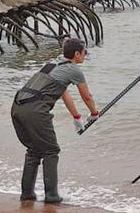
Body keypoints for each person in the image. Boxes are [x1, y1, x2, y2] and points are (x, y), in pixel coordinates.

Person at [11, 38, 99, 203]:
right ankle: (51, 195)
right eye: (84, 52)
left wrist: (77, 117)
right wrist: (94, 113)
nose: (85, 55)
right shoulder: (74, 70)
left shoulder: (52, 65)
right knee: (51, 151)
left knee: (34, 150)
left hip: (17, 107)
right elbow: (87, 96)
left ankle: (27, 194)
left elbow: (63, 94)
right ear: (77, 54)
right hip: (34, 111)